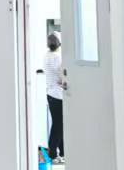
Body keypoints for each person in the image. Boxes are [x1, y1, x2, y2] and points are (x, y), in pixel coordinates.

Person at [42, 32, 66, 165]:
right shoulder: (58, 57)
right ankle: (53, 154)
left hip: (51, 94)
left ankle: (62, 153)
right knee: (59, 125)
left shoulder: (47, 55)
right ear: (59, 44)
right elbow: (63, 77)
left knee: (59, 124)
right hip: (58, 96)